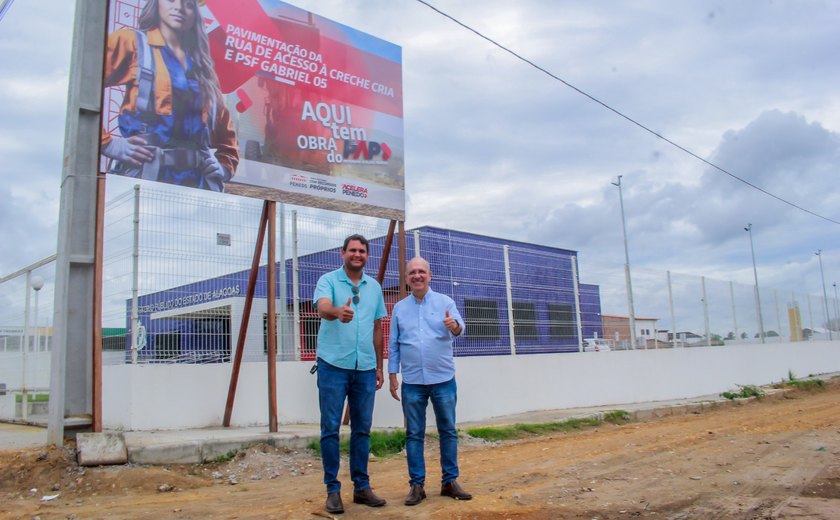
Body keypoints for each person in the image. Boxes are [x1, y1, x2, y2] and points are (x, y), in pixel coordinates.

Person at [101, 0, 238, 191]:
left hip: (199, 186)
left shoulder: (204, 69)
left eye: (189, 4)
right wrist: (107, 144)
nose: (179, 8)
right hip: (145, 177)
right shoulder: (130, 42)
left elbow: (227, 138)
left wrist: (223, 168)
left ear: (195, 14)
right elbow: (86, 84)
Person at [388, 256, 473, 506]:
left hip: (443, 378)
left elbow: (460, 329)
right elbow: (393, 344)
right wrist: (393, 374)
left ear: (430, 275)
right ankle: (417, 486)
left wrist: (453, 325)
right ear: (406, 278)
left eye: (421, 271)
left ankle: (449, 481)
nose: (417, 276)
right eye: (412, 272)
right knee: (414, 434)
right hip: (412, 381)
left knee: (447, 430)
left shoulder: (445, 302)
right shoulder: (400, 308)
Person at [314, 234, 388, 514]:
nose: (357, 254)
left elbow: (377, 327)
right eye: (352, 250)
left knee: (362, 430)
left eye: (362, 251)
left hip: (366, 368)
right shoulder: (329, 280)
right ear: (342, 253)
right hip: (333, 365)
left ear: (367, 256)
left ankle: (361, 487)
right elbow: (321, 308)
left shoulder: (375, 287)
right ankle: (333, 490)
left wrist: (379, 366)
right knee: (330, 429)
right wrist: (337, 312)